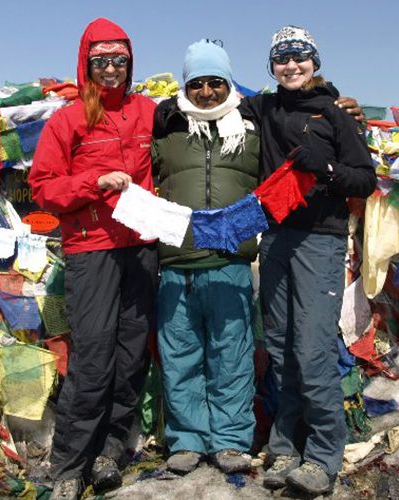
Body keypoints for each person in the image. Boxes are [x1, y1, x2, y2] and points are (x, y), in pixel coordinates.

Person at [243, 26, 377, 495]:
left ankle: (323, 454)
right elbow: (213, 100)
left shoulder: (336, 114)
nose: (291, 65)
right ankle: (285, 445)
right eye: (282, 58)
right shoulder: (264, 108)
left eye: (300, 57)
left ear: (314, 62)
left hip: (320, 240)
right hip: (276, 236)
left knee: (313, 348)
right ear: (271, 66)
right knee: (280, 347)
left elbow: (364, 180)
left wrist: (327, 168)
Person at [28, 18, 158, 500]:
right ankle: (69, 464)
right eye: (100, 61)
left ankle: (110, 450)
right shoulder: (67, 120)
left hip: (141, 247)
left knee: (130, 353)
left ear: (130, 63)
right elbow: (43, 188)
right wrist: (93, 182)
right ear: (86, 63)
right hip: (92, 248)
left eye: (118, 61)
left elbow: (207, 115)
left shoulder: (148, 111)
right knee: (94, 357)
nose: (110, 70)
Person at [151, 39, 260, 476]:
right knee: (180, 357)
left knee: (231, 356)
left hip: (231, 263)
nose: (208, 92)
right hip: (176, 264)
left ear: (228, 82)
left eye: (216, 82)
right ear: (186, 85)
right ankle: (186, 440)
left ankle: (231, 440)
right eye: (198, 83)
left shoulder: (253, 126)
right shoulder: (166, 127)